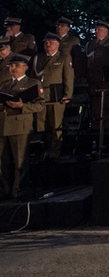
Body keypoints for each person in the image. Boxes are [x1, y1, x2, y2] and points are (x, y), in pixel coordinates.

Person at [0, 55, 45, 200]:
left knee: (20, 161)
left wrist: (22, 106)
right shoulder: (4, 85)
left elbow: (40, 105)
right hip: (3, 125)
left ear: (25, 67)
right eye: (11, 66)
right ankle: (5, 190)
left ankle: (18, 191)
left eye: (16, 66)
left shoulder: (32, 83)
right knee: (3, 161)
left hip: (20, 126)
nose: (13, 69)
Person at [29, 33, 74, 158]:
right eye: (46, 42)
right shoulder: (39, 58)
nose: (48, 45)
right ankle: (42, 151)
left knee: (56, 125)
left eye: (51, 42)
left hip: (56, 97)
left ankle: (55, 152)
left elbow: (68, 77)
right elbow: (33, 77)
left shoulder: (63, 58)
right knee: (41, 125)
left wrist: (67, 94)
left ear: (58, 44)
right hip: (41, 96)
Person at [85, 20, 109, 128]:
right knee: (94, 104)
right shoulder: (91, 44)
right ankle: (95, 126)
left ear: (106, 31)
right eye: (96, 29)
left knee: (106, 103)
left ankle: (106, 126)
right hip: (93, 78)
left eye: (99, 30)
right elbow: (87, 60)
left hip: (106, 77)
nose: (96, 31)